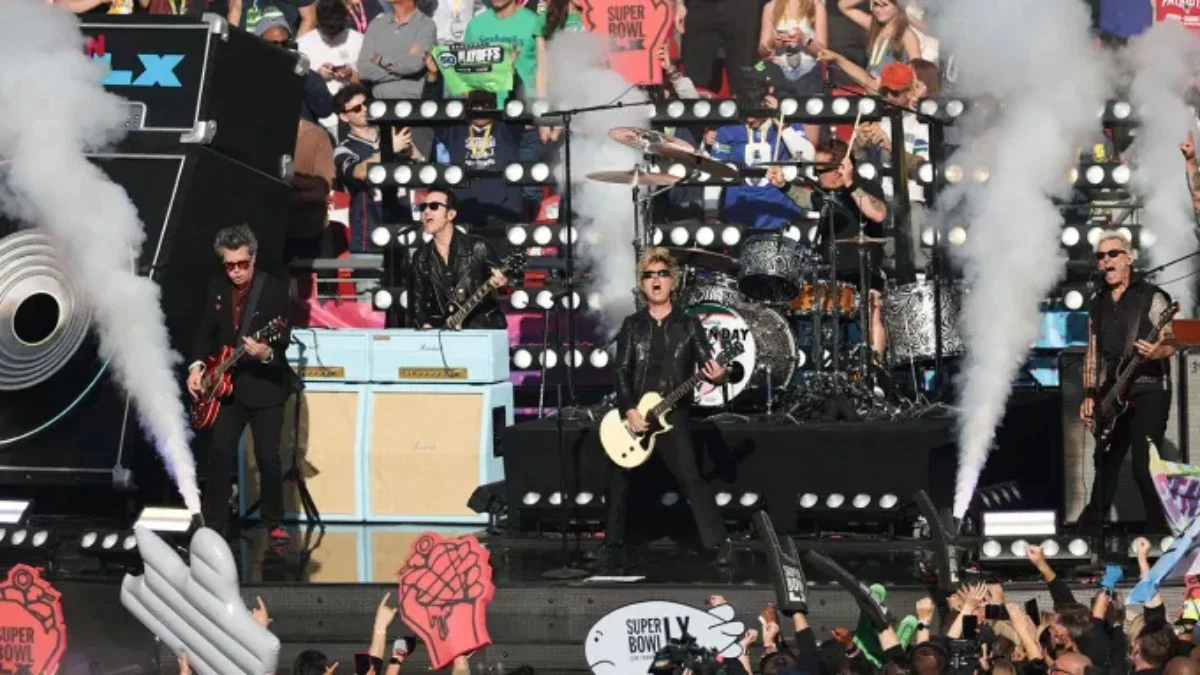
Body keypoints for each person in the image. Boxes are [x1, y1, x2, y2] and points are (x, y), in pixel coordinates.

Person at [597, 247, 734, 568]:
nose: (656, 280)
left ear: (673, 281)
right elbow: (621, 371)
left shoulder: (689, 325)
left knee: (691, 477)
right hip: (635, 415)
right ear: (641, 284)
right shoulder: (632, 325)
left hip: (673, 414)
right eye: (649, 275)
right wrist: (629, 409)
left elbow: (708, 364)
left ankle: (719, 544)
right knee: (619, 479)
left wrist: (719, 374)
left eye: (662, 274)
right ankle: (613, 544)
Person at [187, 225, 294, 542]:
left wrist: (264, 352)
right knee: (219, 452)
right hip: (228, 389)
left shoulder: (273, 290)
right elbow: (205, 330)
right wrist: (197, 368)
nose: (236, 271)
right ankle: (212, 523)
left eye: (242, 264)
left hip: (265, 387)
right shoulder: (217, 288)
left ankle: (274, 521)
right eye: (229, 265)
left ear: (253, 258)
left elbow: (282, 340)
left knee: (267, 457)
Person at [1078, 232, 1175, 533]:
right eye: (1100, 256)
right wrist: (1090, 394)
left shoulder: (1152, 296)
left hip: (1149, 388)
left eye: (1113, 254)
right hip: (1114, 391)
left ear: (1129, 258)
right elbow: (1092, 352)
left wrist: (1157, 350)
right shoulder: (1098, 303)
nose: (1105, 261)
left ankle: (1159, 536)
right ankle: (1090, 538)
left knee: (1144, 468)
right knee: (1105, 465)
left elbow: (1170, 339)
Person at [768, 138, 888, 355]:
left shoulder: (866, 186)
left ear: (840, 169)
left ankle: (876, 370)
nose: (817, 174)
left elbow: (877, 213)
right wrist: (783, 185)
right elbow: (806, 199)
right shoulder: (827, 194)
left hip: (863, 272)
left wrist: (850, 183)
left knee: (873, 308)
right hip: (831, 273)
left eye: (821, 169)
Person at [704, 74, 814, 231]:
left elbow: (808, 156)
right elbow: (714, 172)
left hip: (781, 215)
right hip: (738, 217)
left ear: (766, 103)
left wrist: (784, 128)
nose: (749, 118)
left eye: (755, 111)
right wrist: (711, 215)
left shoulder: (785, 124)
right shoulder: (727, 131)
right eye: (746, 111)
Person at [332, 83, 427, 253]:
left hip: (405, 233)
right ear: (344, 117)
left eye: (366, 104)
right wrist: (389, 149)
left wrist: (415, 154)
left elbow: (426, 173)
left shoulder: (392, 135)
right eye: (356, 108)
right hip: (369, 240)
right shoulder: (344, 149)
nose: (364, 110)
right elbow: (358, 173)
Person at [410, 189, 509, 329]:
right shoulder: (421, 257)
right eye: (423, 207)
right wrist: (426, 326)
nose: (426, 212)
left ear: (451, 214)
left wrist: (503, 284)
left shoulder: (478, 247)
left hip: (482, 329)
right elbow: (417, 302)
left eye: (434, 206)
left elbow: (504, 287)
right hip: (444, 333)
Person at [358, 0, 438, 100]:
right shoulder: (377, 24)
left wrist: (380, 60)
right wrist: (403, 72)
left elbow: (415, 64)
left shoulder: (426, 25)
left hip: (414, 103)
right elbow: (363, 70)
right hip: (378, 105)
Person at [758, 0, 827, 96]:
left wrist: (804, 39)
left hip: (809, 78)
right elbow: (762, 51)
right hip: (779, 76)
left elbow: (823, 53)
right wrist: (774, 42)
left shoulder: (816, 6)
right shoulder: (770, 7)